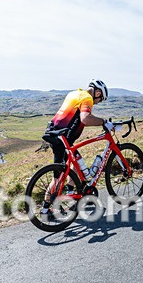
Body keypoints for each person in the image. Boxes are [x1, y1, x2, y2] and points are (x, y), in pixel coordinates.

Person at [40, 79, 113, 217]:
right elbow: (85, 118)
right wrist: (103, 122)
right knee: (58, 177)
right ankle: (45, 210)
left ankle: (70, 194)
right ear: (97, 92)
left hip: (57, 135)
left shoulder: (75, 94)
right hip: (63, 140)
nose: (98, 102)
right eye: (100, 99)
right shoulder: (87, 98)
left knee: (75, 165)